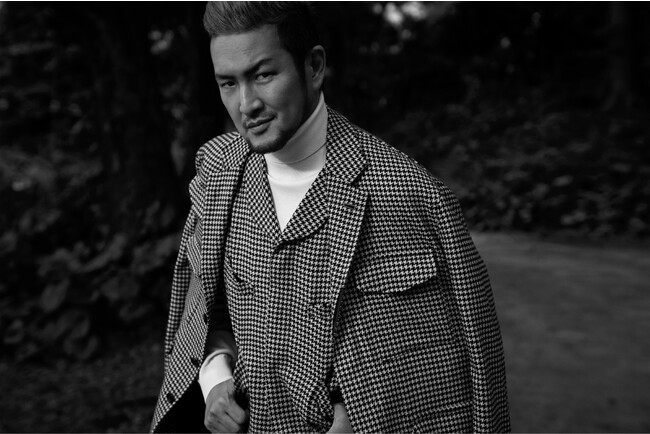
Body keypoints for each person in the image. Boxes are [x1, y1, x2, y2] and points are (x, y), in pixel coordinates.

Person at [151, 2, 510, 433]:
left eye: (263, 75)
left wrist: (368, 419)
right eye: (228, 83)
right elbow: (206, 312)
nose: (246, 104)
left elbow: (460, 369)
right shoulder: (218, 173)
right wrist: (214, 379)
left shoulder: (409, 194)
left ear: (314, 66)